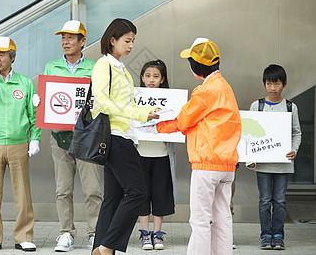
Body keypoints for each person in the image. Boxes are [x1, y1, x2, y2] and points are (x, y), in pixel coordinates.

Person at [154, 38, 242, 255]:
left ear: (196, 67)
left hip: (206, 163)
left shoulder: (204, 91)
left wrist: (154, 127)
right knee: (222, 218)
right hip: (227, 165)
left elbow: (183, 120)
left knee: (200, 221)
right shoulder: (225, 87)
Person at [91, 18, 160, 255]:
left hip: (122, 136)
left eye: (133, 41)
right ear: (113, 40)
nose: (131, 46)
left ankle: (98, 249)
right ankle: (107, 246)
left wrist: (142, 116)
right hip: (115, 137)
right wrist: (140, 113)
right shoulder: (104, 65)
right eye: (127, 40)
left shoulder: (120, 68)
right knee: (137, 192)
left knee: (112, 197)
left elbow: (123, 103)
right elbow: (101, 102)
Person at [0, 36, 41, 252]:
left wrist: (35, 137)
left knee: (22, 193)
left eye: (1, 54)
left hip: (19, 143)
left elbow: (33, 113)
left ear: (12, 56)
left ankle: (23, 236)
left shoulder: (24, 82)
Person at [43, 20, 102, 252]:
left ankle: (95, 233)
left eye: (70, 38)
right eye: (63, 38)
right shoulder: (51, 66)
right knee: (63, 189)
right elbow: (47, 102)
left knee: (93, 189)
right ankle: (66, 233)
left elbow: (100, 99)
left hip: (88, 137)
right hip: (60, 137)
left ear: (82, 41)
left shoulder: (96, 68)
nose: (65, 42)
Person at [246, 64, 302, 250]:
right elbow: (249, 134)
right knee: (264, 201)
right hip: (262, 165)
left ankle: (278, 235)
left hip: (283, 164)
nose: (272, 88)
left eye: (276, 83)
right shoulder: (257, 106)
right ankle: (265, 236)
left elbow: (296, 133)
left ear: (284, 84)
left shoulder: (290, 107)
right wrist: (250, 158)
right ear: (264, 84)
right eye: (269, 83)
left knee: (280, 201)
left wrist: (294, 149)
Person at [136, 60, 177, 250]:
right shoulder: (135, 97)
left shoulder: (170, 99)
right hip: (140, 154)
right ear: (142, 78)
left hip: (162, 155)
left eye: (155, 76)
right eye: (147, 76)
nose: (151, 80)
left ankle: (157, 234)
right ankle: (145, 234)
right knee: (142, 195)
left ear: (162, 79)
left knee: (160, 195)